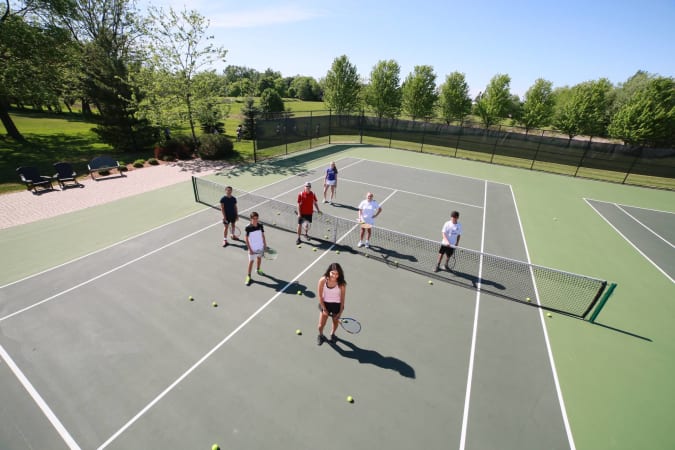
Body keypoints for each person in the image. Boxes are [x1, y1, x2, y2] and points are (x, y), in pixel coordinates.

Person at [317, 262, 347, 345]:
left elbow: (342, 299)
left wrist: (340, 312)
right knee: (320, 325)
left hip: (336, 305)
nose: (334, 275)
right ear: (329, 271)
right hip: (325, 304)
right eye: (332, 273)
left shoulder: (342, 284)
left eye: (337, 274)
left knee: (335, 322)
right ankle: (321, 335)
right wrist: (324, 309)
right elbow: (320, 296)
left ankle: (332, 334)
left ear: (340, 274)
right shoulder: (323, 280)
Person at [244, 211, 267, 286]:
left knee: (259, 258)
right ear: (251, 219)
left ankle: (258, 269)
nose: (255, 220)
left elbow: (263, 235)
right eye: (254, 218)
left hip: (260, 246)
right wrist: (250, 249)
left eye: (256, 218)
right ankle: (248, 276)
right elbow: (246, 239)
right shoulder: (248, 228)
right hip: (252, 248)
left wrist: (264, 244)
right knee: (251, 262)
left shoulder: (260, 226)